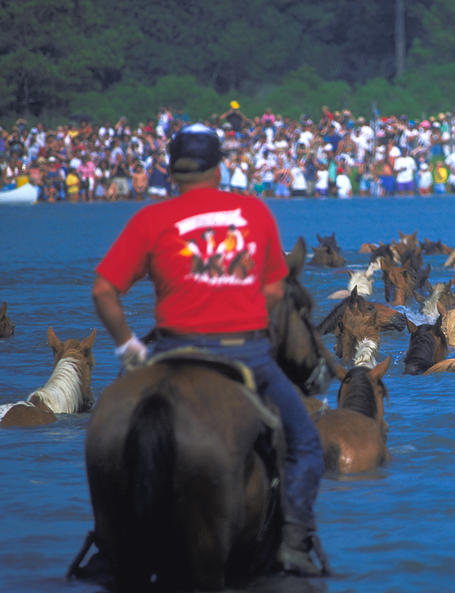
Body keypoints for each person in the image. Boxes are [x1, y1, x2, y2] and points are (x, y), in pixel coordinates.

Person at [90, 123, 328, 576]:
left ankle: (107, 545)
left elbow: (104, 290)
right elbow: (276, 292)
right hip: (246, 355)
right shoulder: (253, 213)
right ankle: (294, 543)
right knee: (305, 445)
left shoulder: (150, 220)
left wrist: (128, 348)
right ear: (219, 169)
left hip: (169, 352)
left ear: (171, 172)